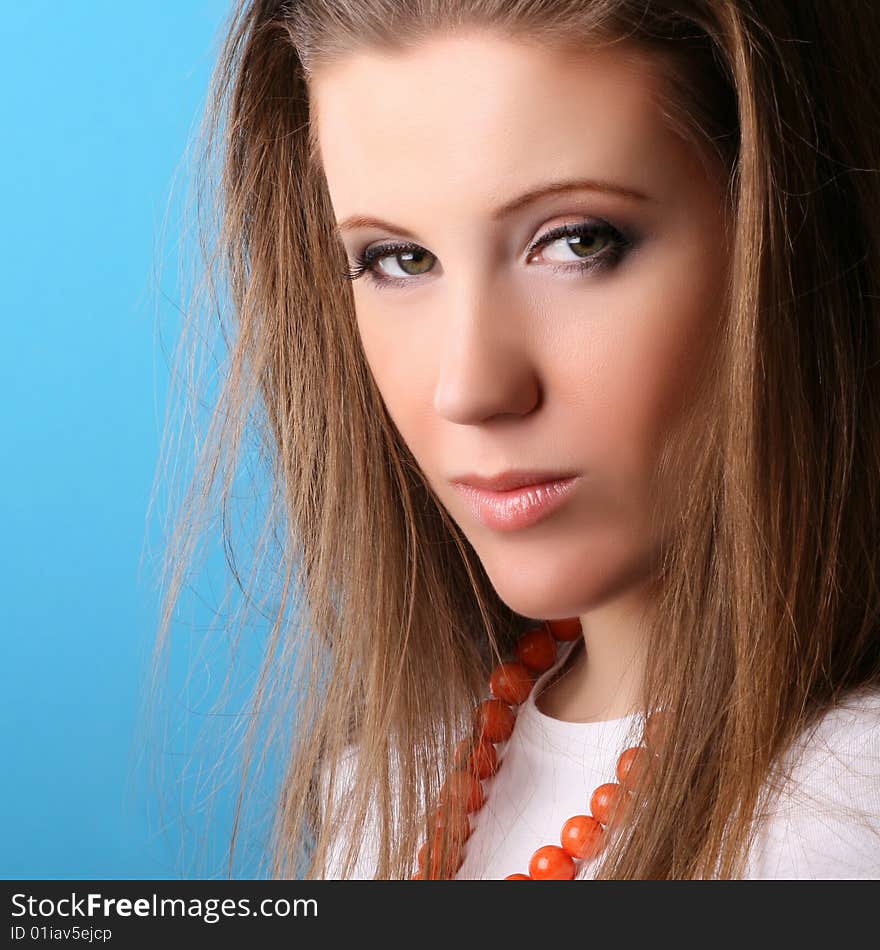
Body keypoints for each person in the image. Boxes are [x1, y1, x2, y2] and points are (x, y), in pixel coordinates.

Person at [153, 0, 880, 880]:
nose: (470, 387)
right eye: (398, 259)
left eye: (578, 241)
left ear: (793, 232)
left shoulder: (839, 819)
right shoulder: (384, 793)